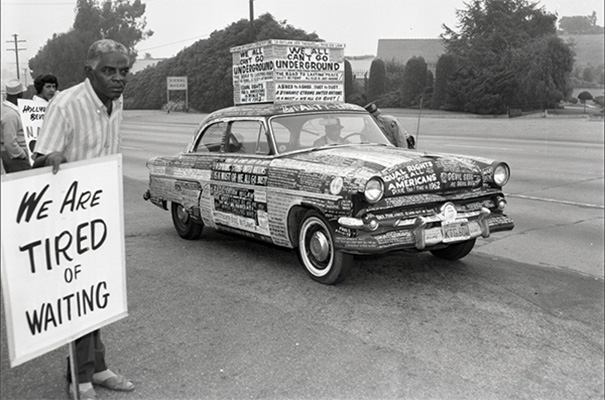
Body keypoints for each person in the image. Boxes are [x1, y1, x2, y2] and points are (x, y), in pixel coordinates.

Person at [32, 39, 134, 400]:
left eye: (124, 71)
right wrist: (52, 158)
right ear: (89, 71)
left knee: (97, 294)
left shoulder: (115, 100)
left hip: (100, 210)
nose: (118, 78)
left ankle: (99, 366)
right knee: (77, 296)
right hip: (67, 216)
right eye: (109, 71)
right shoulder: (66, 105)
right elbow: (39, 160)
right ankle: (79, 378)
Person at [1, 79, 31, 172]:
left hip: (12, 155)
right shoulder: (11, 114)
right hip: (15, 157)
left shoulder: (6, 109)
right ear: (20, 94)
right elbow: (9, 142)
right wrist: (22, 155)